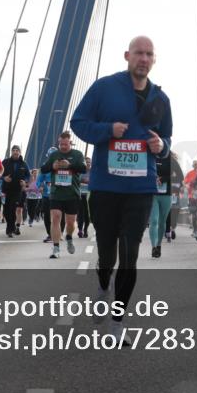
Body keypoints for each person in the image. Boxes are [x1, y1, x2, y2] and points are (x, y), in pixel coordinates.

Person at [71, 35, 173, 337]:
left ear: (154, 60)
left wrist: (161, 146)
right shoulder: (104, 88)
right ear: (127, 56)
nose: (144, 58)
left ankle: (117, 322)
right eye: (139, 53)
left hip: (140, 189)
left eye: (149, 54)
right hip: (106, 187)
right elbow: (78, 123)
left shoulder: (161, 98)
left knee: (130, 255)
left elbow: (167, 139)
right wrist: (108, 130)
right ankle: (103, 285)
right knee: (107, 256)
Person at [41, 131, 87, 258]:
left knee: (70, 223)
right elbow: (43, 169)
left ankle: (69, 237)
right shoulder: (54, 154)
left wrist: (70, 165)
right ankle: (56, 248)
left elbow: (83, 169)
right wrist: (52, 166)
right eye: (61, 144)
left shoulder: (77, 154)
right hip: (56, 193)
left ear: (70, 143)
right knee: (55, 217)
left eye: (65, 144)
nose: (63, 147)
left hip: (72, 193)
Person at [150, 150, 184, 258]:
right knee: (154, 221)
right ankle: (154, 247)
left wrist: (164, 179)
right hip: (152, 194)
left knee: (162, 222)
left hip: (166, 194)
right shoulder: (149, 156)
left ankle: (158, 245)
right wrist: (153, 178)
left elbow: (180, 176)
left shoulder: (170, 160)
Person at [1, 145, 31, 237]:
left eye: (17, 150)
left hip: (18, 190)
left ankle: (9, 229)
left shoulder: (23, 164)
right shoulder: (5, 162)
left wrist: (25, 181)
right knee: (6, 211)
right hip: (6, 190)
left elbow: (28, 176)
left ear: (19, 152)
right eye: (13, 150)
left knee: (13, 208)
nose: (15, 152)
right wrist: (4, 178)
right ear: (11, 152)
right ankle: (11, 226)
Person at [183, 160, 197, 237]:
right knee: (194, 214)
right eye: (195, 165)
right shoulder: (190, 173)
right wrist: (186, 186)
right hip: (192, 197)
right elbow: (184, 182)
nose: (196, 166)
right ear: (193, 166)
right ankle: (195, 231)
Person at [77, 157, 92, 238]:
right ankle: (80, 230)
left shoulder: (93, 172)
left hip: (89, 195)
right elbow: (76, 181)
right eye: (86, 162)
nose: (88, 163)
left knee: (87, 215)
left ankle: (85, 229)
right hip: (80, 195)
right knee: (81, 213)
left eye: (89, 162)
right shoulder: (80, 172)